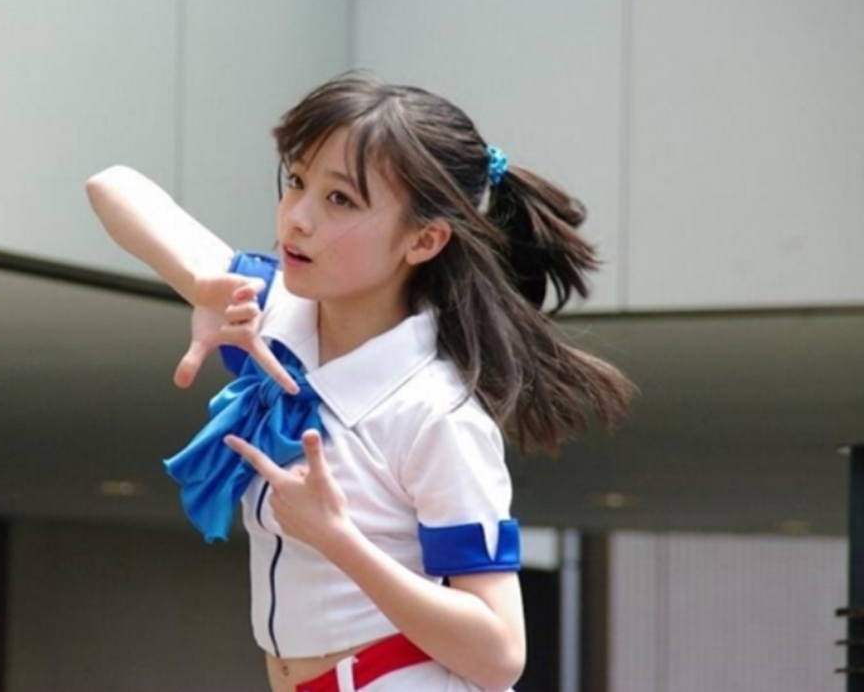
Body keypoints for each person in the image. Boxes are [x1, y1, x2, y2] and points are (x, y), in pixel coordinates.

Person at [86, 73, 633, 692]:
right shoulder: (274, 318)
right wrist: (200, 283)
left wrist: (337, 538)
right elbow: (111, 186)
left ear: (424, 239)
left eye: (340, 200)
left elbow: (500, 652)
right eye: (297, 181)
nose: (297, 218)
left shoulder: (435, 412)